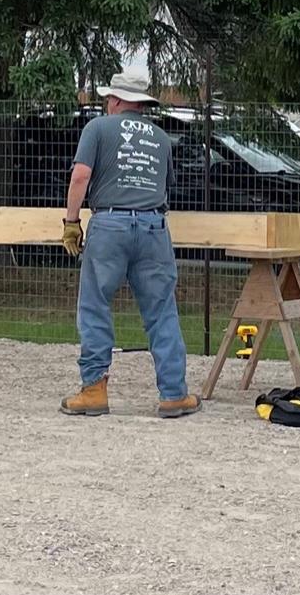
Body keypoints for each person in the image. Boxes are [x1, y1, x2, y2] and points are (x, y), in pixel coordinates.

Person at [59, 72, 200, 419]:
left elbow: (80, 176)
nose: (107, 103)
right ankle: (174, 394)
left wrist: (72, 222)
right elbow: (165, 187)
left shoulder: (97, 128)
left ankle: (94, 390)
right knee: (161, 310)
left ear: (117, 100)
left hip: (109, 225)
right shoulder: (161, 138)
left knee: (95, 304)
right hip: (153, 227)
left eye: (109, 98)